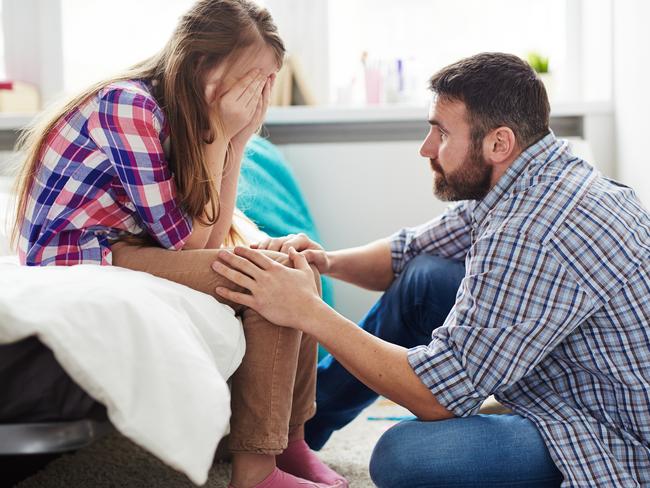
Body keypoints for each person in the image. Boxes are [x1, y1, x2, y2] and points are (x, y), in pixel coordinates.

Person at [213, 52, 650, 487]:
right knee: (422, 277)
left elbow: (437, 396)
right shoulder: (537, 175)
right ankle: (296, 432)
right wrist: (323, 262)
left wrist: (307, 310)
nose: (426, 149)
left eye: (440, 133)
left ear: (499, 142)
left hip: (610, 432)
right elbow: (409, 251)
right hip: (574, 371)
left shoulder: (530, 231)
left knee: (403, 456)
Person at [10, 1, 346, 487]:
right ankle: (255, 473)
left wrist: (237, 140)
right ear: (201, 65)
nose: (258, 95)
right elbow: (188, 244)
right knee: (268, 281)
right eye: (251, 79)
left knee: (294, 267)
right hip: (84, 253)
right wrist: (223, 136)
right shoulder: (129, 106)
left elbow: (210, 234)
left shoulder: (182, 114)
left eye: (267, 83)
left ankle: (291, 442)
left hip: (132, 245)